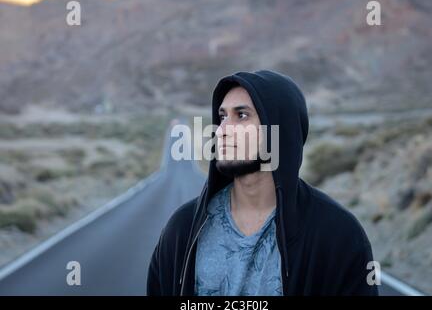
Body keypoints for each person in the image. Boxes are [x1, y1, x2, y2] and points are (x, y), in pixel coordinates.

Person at [147, 70, 378, 296]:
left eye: (242, 115)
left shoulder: (338, 236)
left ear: (280, 129)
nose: (222, 130)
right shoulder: (182, 231)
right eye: (222, 116)